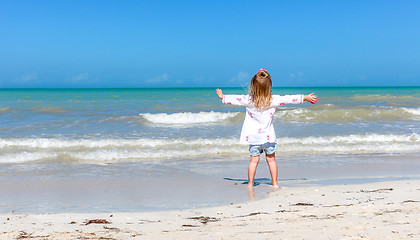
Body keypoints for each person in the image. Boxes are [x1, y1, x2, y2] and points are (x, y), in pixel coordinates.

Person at [216, 68, 317, 188]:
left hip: (254, 139)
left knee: (253, 161)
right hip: (268, 138)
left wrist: (223, 97)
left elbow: (236, 99)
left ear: (253, 86)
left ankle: (250, 183)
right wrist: (304, 97)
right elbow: (289, 98)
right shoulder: (273, 100)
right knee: (271, 161)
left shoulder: (249, 100)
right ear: (270, 86)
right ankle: (275, 183)